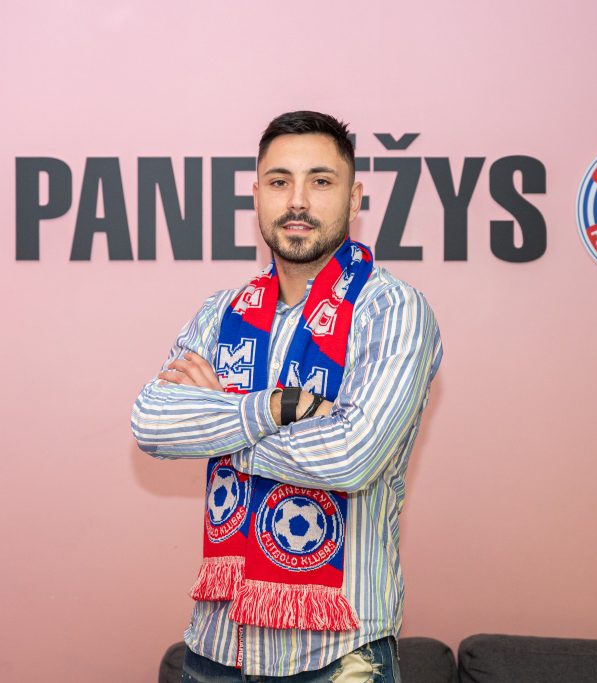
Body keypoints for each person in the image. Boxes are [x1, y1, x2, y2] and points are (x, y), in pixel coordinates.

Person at [132, 111, 442, 682]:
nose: (297, 201)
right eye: (279, 182)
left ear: (354, 199)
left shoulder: (390, 309)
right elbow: (152, 424)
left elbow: (351, 457)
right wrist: (277, 408)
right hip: (214, 649)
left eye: (320, 181)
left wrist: (220, 423)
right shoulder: (221, 313)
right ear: (257, 197)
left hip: (337, 657)